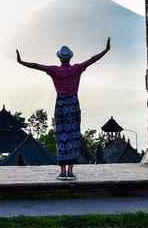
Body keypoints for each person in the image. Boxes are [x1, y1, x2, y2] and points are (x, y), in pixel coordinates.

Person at [16, 38, 110, 181]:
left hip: (60, 104)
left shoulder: (54, 70)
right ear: (70, 57)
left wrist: (21, 62)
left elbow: (37, 65)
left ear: (60, 58)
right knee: (73, 135)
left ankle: (62, 171)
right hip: (73, 103)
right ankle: (70, 171)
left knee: (61, 136)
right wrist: (105, 50)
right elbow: (92, 60)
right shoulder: (77, 69)